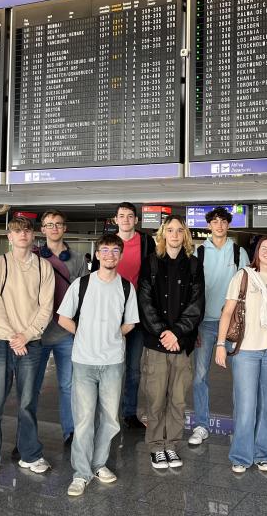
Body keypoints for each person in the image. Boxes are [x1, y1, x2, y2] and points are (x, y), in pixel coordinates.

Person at [0, 216, 55, 482]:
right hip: (2, 342)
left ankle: (29, 455)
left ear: (33, 235)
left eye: (27, 230)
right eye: (17, 231)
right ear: (9, 237)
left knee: (28, 402)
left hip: (32, 343)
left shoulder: (43, 267)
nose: (22, 234)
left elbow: (46, 307)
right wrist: (12, 337)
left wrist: (27, 336)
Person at [59, 234, 140, 497]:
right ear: (96, 254)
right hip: (84, 361)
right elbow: (63, 318)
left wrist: (113, 335)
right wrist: (84, 333)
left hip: (113, 362)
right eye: (104, 250)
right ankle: (81, 474)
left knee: (110, 419)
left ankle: (98, 464)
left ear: (121, 255)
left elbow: (130, 322)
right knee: (83, 420)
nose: (109, 255)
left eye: (115, 251)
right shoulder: (82, 284)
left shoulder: (126, 287)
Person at [215, 235, 267, 472]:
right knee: (246, 405)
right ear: (257, 252)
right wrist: (220, 344)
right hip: (246, 351)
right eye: (264, 248)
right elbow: (227, 312)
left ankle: (264, 455)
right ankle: (240, 456)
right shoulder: (243, 275)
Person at [137, 214, 205, 469]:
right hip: (156, 344)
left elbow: (197, 305)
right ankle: (157, 446)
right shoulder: (151, 263)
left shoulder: (194, 265)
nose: (175, 234)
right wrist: (164, 333)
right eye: (170, 230)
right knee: (156, 399)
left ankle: (172, 445)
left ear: (185, 235)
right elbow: (145, 303)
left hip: (182, 345)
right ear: (163, 234)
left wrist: (177, 333)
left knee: (177, 400)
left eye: (179, 230)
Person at [189, 206, 249, 446]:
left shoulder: (238, 252)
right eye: (215, 221)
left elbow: (246, 287)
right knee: (200, 376)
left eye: (223, 221)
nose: (219, 225)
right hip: (205, 322)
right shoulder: (199, 252)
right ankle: (201, 425)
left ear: (228, 225)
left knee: (241, 377)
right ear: (209, 226)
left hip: (233, 324)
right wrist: (193, 325)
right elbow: (192, 290)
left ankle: (240, 426)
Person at [29, 210, 89, 449]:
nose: (54, 228)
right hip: (36, 333)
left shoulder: (77, 259)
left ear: (65, 228)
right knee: (31, 388)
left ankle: (71, 432)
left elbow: (85, 294)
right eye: (49, 224)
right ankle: (26, 436)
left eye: (58, 224)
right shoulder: (32, 257)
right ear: (42, 229)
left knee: (68, 386)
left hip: (66, 333)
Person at [96, 202, 157, 429]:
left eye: (130, 216)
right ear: (115, 219)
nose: (126, 220)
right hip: (110, 312)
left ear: (136, 220)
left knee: (133, 369)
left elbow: (152, 274)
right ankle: (106, 411)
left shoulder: (146, 242)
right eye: (121, 216)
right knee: (108, 365)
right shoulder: (108, 242)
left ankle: (129, 412)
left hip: (136, 312)